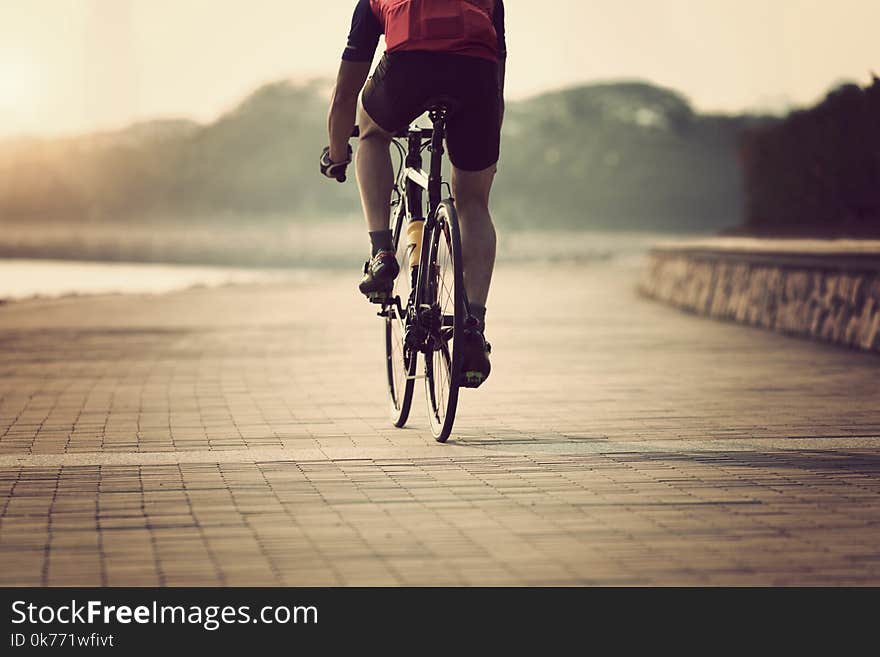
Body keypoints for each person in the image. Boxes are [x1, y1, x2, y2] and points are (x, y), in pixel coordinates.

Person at [320, 0, 506, 387]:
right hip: (476, 78)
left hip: (409, 69)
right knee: (472, 202)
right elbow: (497, 77)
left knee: (371, 131)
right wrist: (488, 145)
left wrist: (337, 152)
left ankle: (382, 251)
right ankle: (472, 325)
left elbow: (345, 93)